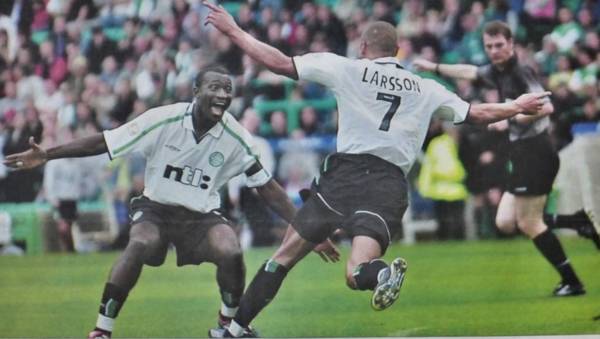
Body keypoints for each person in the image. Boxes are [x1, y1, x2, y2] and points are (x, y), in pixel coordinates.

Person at [204, 3, 551, 337]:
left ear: (364, 46)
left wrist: (234, 30)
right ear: (397, 50)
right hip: (388, 183)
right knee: (356, 272)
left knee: (283, 258)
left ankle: (234, 330)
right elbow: (476, 113)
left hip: (344, 176)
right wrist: (515, 106)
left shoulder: (347, 68)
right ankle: (380, 273)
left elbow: (279, 63)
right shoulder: (425, 88)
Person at [4, 65, 328, 339]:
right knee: (140, 243)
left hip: (202, 215)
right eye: (215, 87)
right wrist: (48, 154)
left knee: (231, 250)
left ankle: (227, 325)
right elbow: (104, 141)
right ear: (196, 90)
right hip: (155, 208)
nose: (223, 94)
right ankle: (102, 330)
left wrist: (305, 229)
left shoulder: (238, 137)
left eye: (228, 90)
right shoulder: (163, 119)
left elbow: (267, 188)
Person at [414, 20, 598, 297]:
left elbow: (546, 106)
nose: (494, 51)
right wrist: (435, 68)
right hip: (524, 154)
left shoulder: (520, 72)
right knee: (505, 221)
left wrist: (510, 118)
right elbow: (470, 71)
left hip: (536, 152)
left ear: (511, 44)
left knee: (528, 223)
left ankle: (572, 282)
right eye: (489, 46)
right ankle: (575, 222)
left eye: (499, 45)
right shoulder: (497, 72)